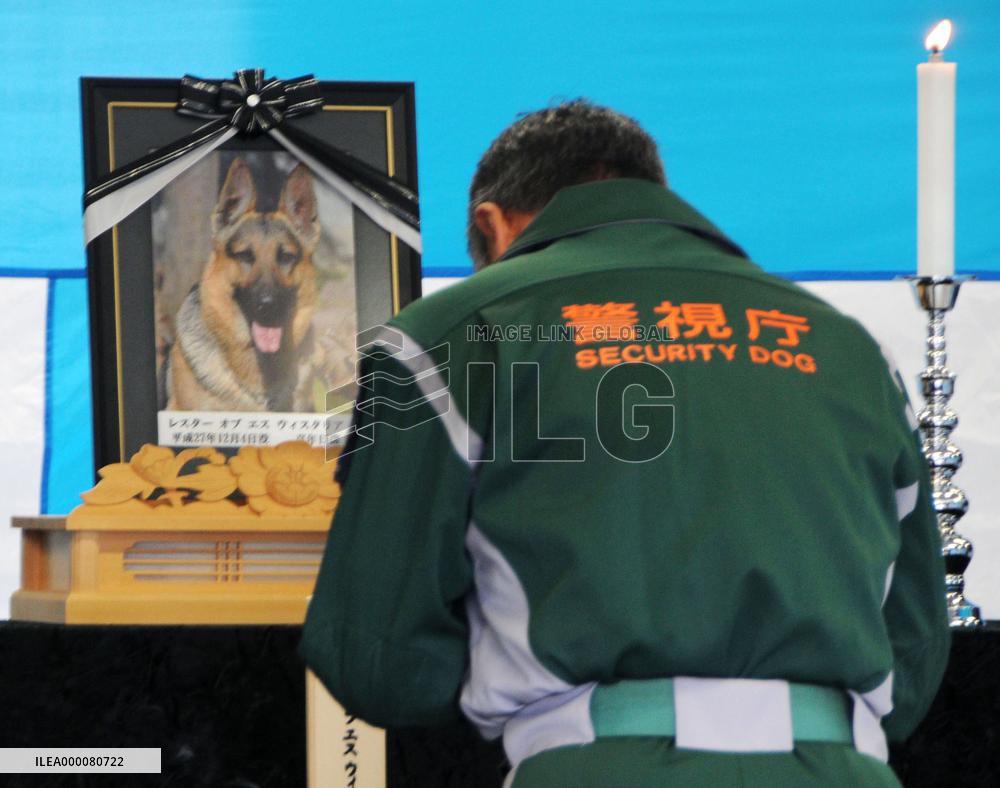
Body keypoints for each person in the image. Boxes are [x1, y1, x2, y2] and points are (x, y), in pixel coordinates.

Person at [300, 100, 950, 787]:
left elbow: (380, 658)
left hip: (600, 763)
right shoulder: (849, 348)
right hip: (844, 768)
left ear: (493, 225)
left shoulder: (449, 334)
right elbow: (915, 644)